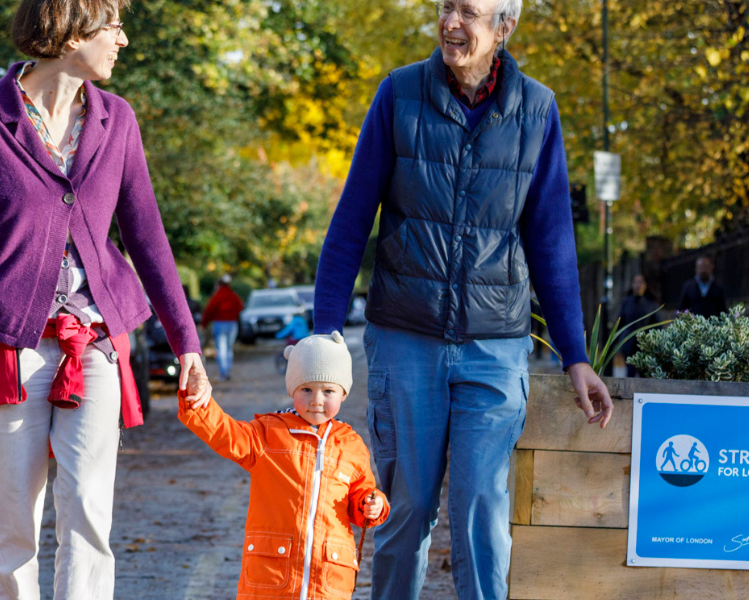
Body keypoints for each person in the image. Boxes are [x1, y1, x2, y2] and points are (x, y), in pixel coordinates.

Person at [0, 0, 209, 596]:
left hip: (92, 345)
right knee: (14, 529)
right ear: (72, 33)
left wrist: (186, 341)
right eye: (113, 26)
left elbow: (147, 237)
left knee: (89, 514)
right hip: (8, 348)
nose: (122, 40)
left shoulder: (117, 119)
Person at [310, 0, 613, 598]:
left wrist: (576, 354)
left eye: (469, 12)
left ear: (505, 27)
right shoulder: (399, 94)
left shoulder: (537, 110)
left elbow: (552, 241)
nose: (452, 22)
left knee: (481, 514)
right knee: (406, 511)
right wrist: (325, 333)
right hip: (406, 339)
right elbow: (351, 221)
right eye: (446, 7)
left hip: (495, 348)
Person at [178, 332, 389, 599]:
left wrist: (371, 504)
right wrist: (198, 404)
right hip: (272, 576)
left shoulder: (351, 444)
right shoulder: (269, 433)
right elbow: (226, 434)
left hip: (328, 579)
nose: (316, 400)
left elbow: (361, 492)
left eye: (328, 391)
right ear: (292, 389)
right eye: (306, 389)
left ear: (344, 393)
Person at [202, 275, 244, 380]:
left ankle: (223, 372)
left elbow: (209, 310)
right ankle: (228, 369)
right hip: (232, 324)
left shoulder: (217, 296)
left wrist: (204, 323)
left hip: (220, 324)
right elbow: (240, 307)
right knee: (229, 348)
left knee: (221, 349)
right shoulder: (233, 295)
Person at [617, 273, 660, 369]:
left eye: (640, 282)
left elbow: (657, 325)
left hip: (645, 345)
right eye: (635, 282)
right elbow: (619, 322)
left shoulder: (651, 303)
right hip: (629, 344)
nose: (638, 285)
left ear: (645, 285)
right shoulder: (626, 302)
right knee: (629, 373)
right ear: (632, 284)